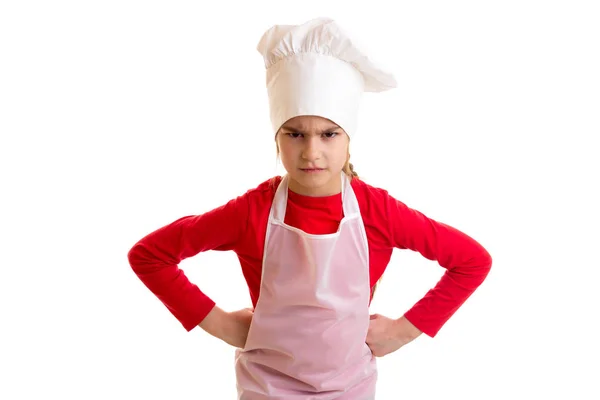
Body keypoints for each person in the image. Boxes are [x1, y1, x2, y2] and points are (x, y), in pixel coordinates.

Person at [127, 17, 492, 399]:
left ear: (348, 139)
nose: (311, 151)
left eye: (328, 134)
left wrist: (404, 330)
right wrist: (219, 324)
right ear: (277, 138)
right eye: (295, 133)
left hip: (349, 387)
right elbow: (150, 256)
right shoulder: (251, 212)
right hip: (266, 387)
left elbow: (471, 260)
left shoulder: (376, 211)